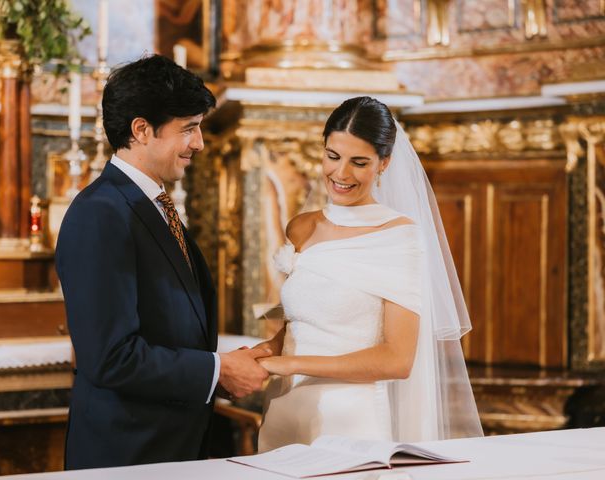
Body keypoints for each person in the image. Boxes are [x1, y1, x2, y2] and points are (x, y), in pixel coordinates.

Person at [55, 55, 270, 470]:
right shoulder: (100, 212)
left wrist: (226, 362)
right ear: (141, 130)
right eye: (188, 129)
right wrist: (216, 371)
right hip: (127, 456)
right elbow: (111, 357)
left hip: (169, 450)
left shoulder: (150, 204)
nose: (200, 143)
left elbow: (170, 324)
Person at [256, 96, 483, 451]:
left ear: (384, 163)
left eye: (359, 162)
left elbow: (397, 359)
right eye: (333, 157)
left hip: (349, 423)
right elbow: (303, 322)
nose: (341, 174)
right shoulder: (301, 227)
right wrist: (265, 352)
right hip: (285, 409)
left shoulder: (399, 237)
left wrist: (291, 364)